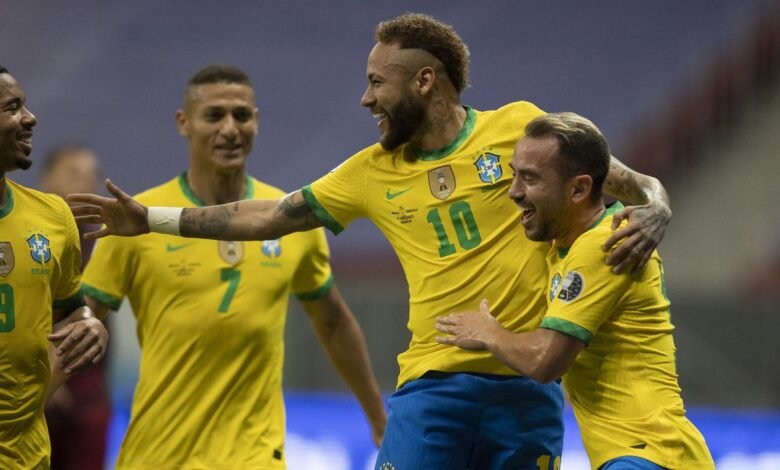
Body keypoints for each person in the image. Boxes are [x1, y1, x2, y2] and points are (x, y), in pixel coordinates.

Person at [70, 14, 672, 470]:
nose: (366, 99)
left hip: (527, 389)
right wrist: (152, 219)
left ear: (426, 81)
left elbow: (619, 179)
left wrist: (658, 205)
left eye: (377, 83)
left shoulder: (517, 129)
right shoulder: (370, 171)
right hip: (432, 389)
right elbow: (270, 217)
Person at [78, 64, 386, 469]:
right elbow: (77, 331)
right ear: (183, 123)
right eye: (214, 115)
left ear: (256, 122)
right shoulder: (136, 221)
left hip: (255, 455)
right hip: (158, 454)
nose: (230, 128)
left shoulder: (291, 218)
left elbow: (333, 322)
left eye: (241, 115)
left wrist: (380, 419)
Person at [436, 112, 714, 469]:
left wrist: (489, 332)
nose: (514, 191)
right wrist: (657, 199)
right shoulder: (566, 242)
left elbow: (544, 361)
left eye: (530, 179)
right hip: (649, 454)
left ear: (579, 189)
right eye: (514, 174)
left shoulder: (602, 247)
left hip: (649, 454)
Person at [0, 66, 108, 468]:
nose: (31, 117)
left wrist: (89, 323)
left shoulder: (53, 218)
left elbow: (71, 311)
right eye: (13, 107)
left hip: (30, 455)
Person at [40, 144, 111, 470]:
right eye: (73, 174)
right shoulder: (28, 239)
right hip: (30, 395)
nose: (83, 184)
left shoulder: (105, 244)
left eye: (90, 177)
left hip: (88, 397)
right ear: (46, 181)